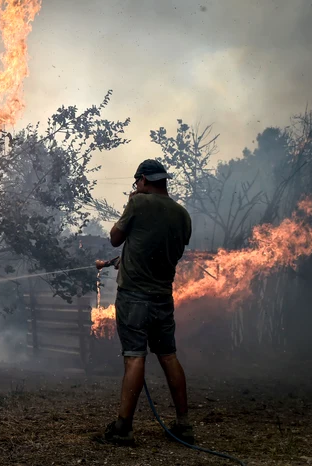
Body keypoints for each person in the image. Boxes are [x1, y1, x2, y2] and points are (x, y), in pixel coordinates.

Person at [95, 159, 193, 446]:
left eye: (136, 183)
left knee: (135, 356)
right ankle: (184, 425)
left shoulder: (138, 204)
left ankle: (123, 428)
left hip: (134, 297)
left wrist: (131, 202)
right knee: (168, 356)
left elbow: (115, 238)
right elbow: (159, 248)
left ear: (142, 180)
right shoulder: (182, 215)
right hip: (163, 296)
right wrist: (121, 262)